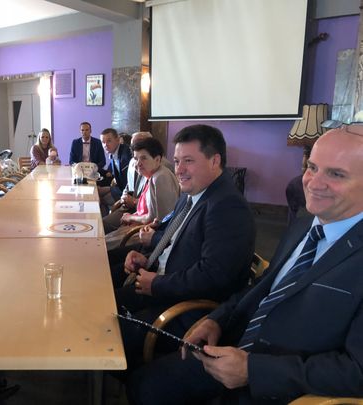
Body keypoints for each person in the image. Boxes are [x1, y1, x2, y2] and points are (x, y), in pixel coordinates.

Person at [126, 126, 363, 404]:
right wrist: (217, 319)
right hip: (235, 344)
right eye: (312, 167)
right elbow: (263, 287)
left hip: (279, 386)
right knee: (143, 382)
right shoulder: (303, 226)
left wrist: (253, 370)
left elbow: (356, 372)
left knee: (145, 385)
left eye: (336, 174)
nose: (313, 183)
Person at [112, 124, 255, 370]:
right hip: (164, 286)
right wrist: (147, 257)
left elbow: (214, 276)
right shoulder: (191, 195)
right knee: (104, 304)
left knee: (110, 335)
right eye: (177, 161)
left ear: (215, 161)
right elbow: (172, 240)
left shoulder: (228, 206)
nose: (179, 169)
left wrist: (158, 284)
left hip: (186, 309)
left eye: (188, 161)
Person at [104, 137, 179, 250]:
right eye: (136, 158)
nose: (138, 163)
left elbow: (155, 220)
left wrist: (130, 217)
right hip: (139, 227)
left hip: (147, 234)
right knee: (101, 241)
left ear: (157, 159)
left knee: (103, 246)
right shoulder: (150, 175)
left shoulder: (160, 177)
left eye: (144, 158)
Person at [98, 128, 132, 214]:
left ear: (118, 140)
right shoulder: (114, 153)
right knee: (97, 192)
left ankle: (105, 218)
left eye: (109, 141)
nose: (105, 145)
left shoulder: (126, 155)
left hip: (127, 193)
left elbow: (129, 183)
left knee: (101, 199)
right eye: (103, 142)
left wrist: (120, 201)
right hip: (119, 187)